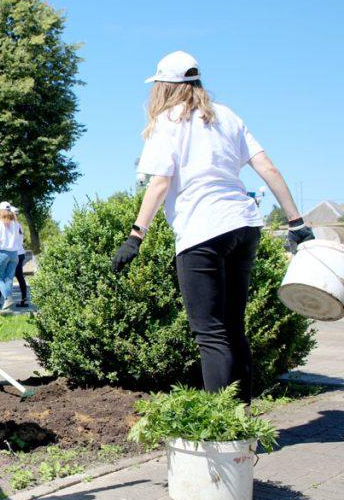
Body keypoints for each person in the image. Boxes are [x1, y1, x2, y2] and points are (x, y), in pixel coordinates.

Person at [112, 50, 314, 404]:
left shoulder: (167, 122)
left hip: (201, 231)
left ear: (165, 87)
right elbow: (268, 167)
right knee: (234, 328)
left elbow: (160, 183)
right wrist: (296, 222)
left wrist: (135, 236)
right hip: (244, 224)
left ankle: (222, 428)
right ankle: (242, 418)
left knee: (210, 334)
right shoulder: (229, 116)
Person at [0, 202, 29, 308]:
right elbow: (18, 240)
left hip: (2, 253)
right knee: (9, 279)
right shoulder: (16, 224)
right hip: (15, 254)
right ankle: (7, 303)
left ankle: (8, 298)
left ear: (0, 211)